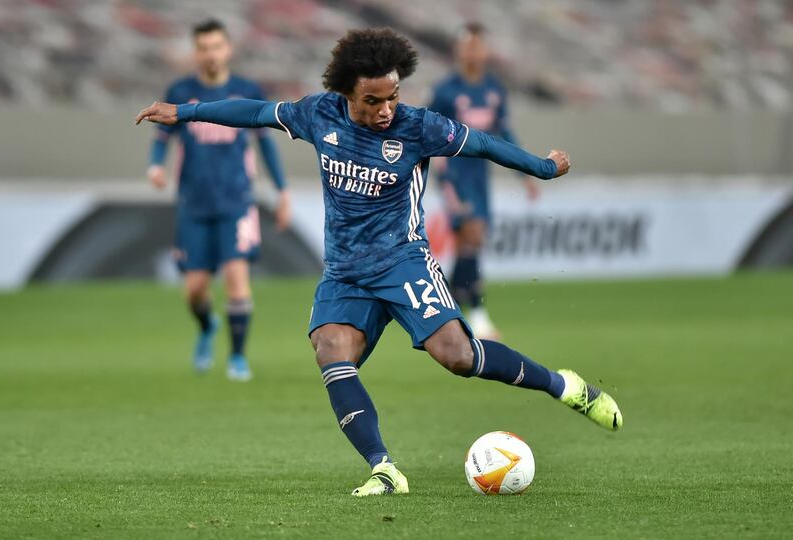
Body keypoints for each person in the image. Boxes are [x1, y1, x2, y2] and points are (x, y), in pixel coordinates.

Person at [137, 27, 622, 496]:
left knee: (459, 357)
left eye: (392, 96)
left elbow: (484, 143)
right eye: (373, 101)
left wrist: (541, 167)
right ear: (347, 93)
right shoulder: (318, 114)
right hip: (346, 272)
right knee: (330, 351)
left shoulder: (419, 125)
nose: (387, 108)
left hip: (403, 261)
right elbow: (256, 113)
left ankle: (565, 387)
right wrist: (185, 111)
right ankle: (384, 469)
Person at [147, 19, 291, 382]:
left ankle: (238, 358)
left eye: (216, 46)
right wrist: (155, 167)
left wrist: (282, 190)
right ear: (195, 52)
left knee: (237, 277)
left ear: (228, 49)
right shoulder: (181, 89)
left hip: (237, 200)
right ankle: (207, 325)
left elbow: (266, 143)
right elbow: (163, 136)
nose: (210, 53)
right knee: (194, 290)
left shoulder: (245, 90)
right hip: (194, 202)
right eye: (203, 47)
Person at [429, 22, 540, 339]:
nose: (473, 52)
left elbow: (505, 134)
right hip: (452, 173)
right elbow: (426, 130)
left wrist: (525, 173)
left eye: (478, 46)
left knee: (468, 244)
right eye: (468, 46)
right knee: (473, 236)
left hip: (479, 175)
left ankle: (444, 309)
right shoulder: (445, 91)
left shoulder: (494, 89)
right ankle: (478, 317)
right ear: (458, 50)